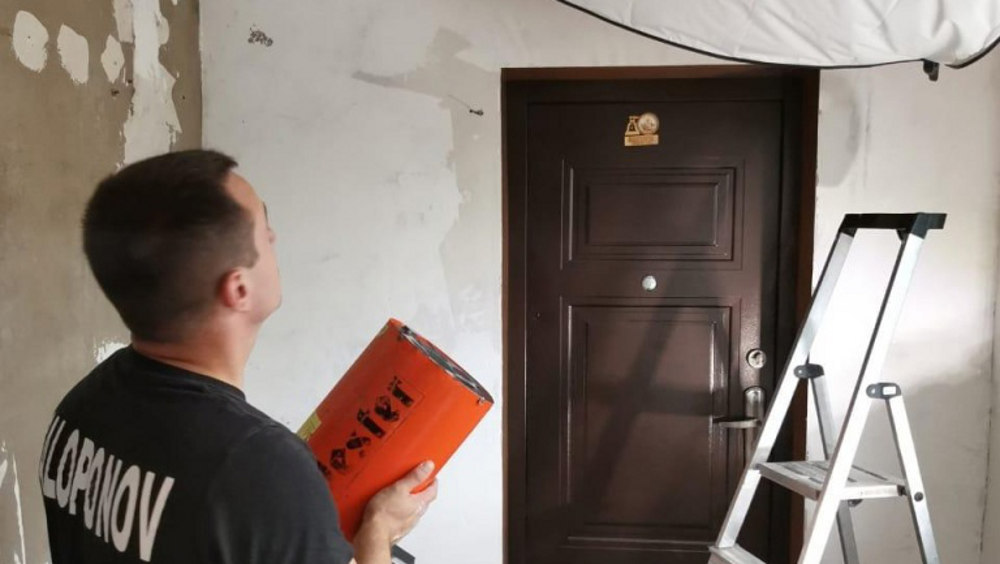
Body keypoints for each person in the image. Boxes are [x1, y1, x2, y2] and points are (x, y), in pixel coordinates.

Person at [38, 150, 436, 563]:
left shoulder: (80, 408)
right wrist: (379, 531)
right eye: (264, 230)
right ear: (239, 289)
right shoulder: (261, 468)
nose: (274, 237)